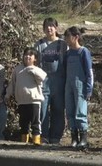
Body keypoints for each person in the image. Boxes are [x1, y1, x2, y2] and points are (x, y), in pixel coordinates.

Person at [35, 17, 67, 145]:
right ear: (43, 29)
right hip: (43, 82)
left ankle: (56, 137)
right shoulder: (39, 44)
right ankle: (44, 136)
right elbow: (34, 63)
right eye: (47, 26)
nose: (49, 28)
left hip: (59, 82)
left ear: (56, 28)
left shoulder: (63, 44)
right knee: (43, 110)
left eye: (52, 26)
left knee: (58, 109)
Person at [6, 48, 47, 146]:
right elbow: (12, 83)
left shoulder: (37, 69)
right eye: (26, 55)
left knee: (35, 121)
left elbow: (43, 77)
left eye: (30, 55)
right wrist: (8, 94)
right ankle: (24, 140)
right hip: (21, 101)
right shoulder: (18, 69)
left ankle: (36, 140)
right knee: (23, 122)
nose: (27, 57)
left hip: (34, 101)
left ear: (35, 59)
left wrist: (33, 70)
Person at [63, 26, 93, 149]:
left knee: (80, 112)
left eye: (68, 37)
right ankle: (74, 138)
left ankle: (83, 138)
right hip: (68, 85)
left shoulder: (83, 52)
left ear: (75, 37)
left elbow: (89, 72)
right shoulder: (68, 54)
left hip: (80, 86)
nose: (66, 40)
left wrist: (89, 89)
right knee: (70, 111)